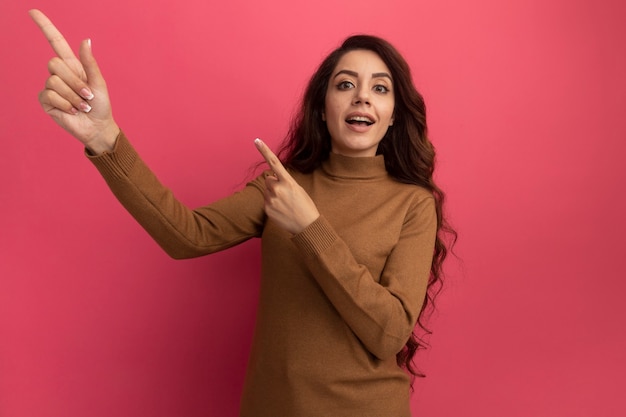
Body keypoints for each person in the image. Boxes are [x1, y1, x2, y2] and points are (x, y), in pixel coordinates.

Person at [30, 9, 455, 416]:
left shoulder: (412, 204)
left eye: (380, 88)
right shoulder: (283, 185)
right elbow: (186, 235)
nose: (362, 95)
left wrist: (310, 228)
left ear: (394, 115)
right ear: (322, 108)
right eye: (345, 85)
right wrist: (106, 139)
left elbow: (389, 333)